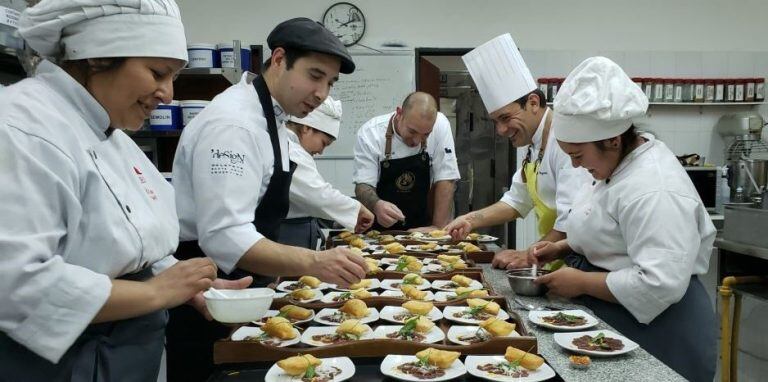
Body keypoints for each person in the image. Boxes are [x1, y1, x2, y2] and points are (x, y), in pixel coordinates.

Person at [0, 1, 232, 380]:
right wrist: (157, 293)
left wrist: (188, 283)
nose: (167, 94)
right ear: (96, 57)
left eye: (173, 77)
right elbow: (15, 282)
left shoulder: (114, 138)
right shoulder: (21, 126)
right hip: (61, 363)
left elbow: (133, 244)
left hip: (128, 348)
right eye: (158, 73)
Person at [168, 18, 368, 381]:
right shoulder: (234, 125)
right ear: (279, 59)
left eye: (330, 82)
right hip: (208, 294)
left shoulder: (272, 119)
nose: (322, 92)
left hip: (240, 288)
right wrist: (314, 261)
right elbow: (225, 235)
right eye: (314, 75)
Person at [531, 56, 717, 382]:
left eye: (578, 156)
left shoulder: (654, 187)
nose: (575, 166)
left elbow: (659, 283)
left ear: (613, 140)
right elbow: (611, 229)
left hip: (662, 329)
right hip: (618, 315)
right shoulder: (616, 166)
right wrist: (563, 248)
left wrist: (581, 282)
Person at [445, 33, 590, 269]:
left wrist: (527, 256)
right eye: (495, 122)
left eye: (505, 118)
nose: (501, 130)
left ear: (533, 103)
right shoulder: (532, 145)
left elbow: (571, 222)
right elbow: (516, 201)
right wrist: (470, 220)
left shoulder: (565, 144)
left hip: (574, 263)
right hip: (551, 260)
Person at [353, 92, 460, 232]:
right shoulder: (370, 133)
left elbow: (446, 177)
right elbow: (363, 185)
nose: (416, 141)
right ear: (399, 113)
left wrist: (438, 227)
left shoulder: (440, 124)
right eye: (412, 131)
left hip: (421, 226)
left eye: (426, 134)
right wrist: (376, 204)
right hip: (378, 229)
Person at [279, 96, 375, 248]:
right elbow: (317, 194)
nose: (321, 151)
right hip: (285, 236)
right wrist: (358, 209)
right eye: (323, 143)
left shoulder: (292, 147)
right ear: (306, 128)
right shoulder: (291, 151)